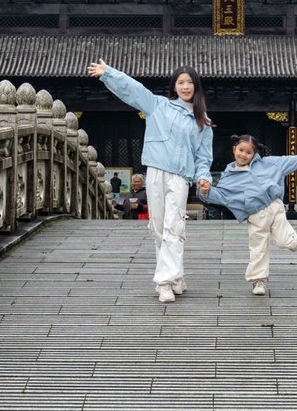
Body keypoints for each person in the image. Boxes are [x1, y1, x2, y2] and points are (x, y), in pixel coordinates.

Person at [87, 59, 213, 303]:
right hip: (155, 171)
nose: (185, 87)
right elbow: (134, 90)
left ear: (196, 87)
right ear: (174, 86)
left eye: (190, 82)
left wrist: (203, 178)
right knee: (158, 227)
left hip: (179, 177)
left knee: (174, 226)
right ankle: (176, 277)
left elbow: (203, 157)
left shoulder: (202, 122)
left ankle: (164, 282)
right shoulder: (158, 105)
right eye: (180, 82)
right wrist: (108, 73)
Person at [199, 134, 297, 295]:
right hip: (256, 214)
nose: (243, 155)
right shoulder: (229, 175)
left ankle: (292, 240)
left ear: (254, 154)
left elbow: (283, 161)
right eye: (241, 150)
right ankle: (258, 281)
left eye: (248, 152)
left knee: (284, 242)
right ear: (234, 149)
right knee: (258, 246)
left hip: (275, 206)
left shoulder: (267, 163)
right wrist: (205, 192)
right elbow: (221, 194)